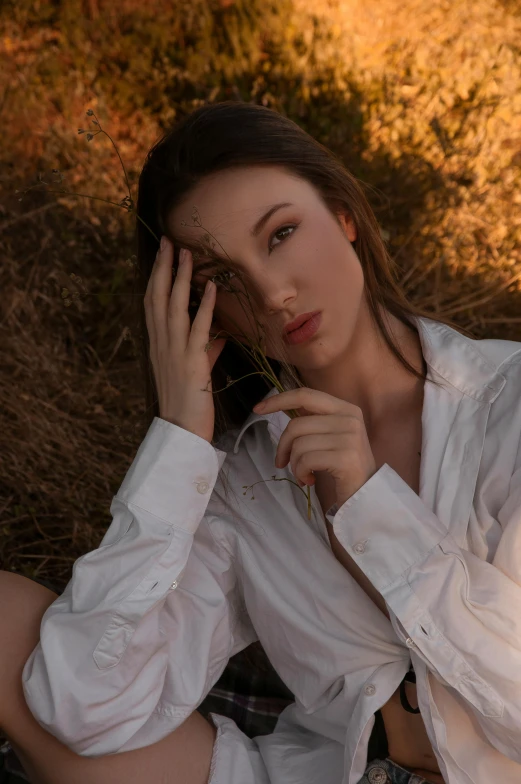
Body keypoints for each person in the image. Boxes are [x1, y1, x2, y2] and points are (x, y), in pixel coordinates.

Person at [1, 101, 521, 784]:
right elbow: (82, 711)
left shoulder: (504, 405)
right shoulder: (245, 478)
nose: (272, 292)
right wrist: (180, 441)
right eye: (221, 279)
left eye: (279, 234)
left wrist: (368, 508)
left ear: (343, 215)